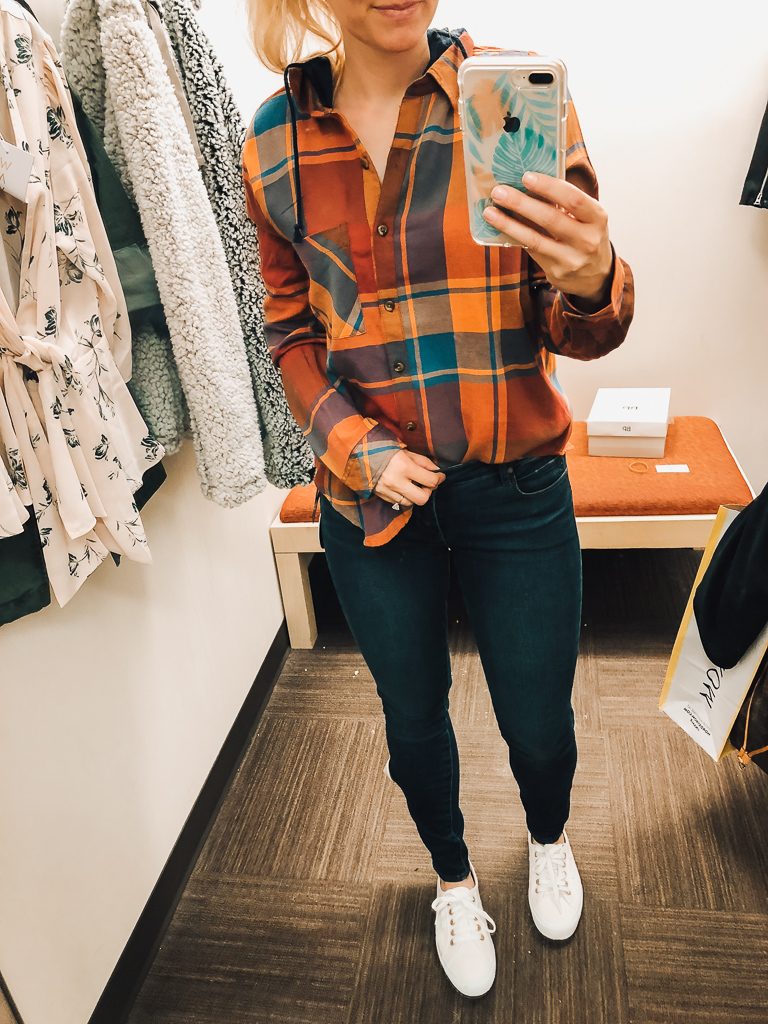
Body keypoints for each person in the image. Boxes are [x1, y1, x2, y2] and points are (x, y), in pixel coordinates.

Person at [243, 0, 634, 999]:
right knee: (412, 717)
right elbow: (288, 332)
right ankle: (452, 880)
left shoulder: (510, 100)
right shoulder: (275, 140)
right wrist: (354, 446)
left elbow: (576, 324)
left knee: (539, 719)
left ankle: (547, 838)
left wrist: (593, 278)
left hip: (517, 484)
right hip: (371, 503)